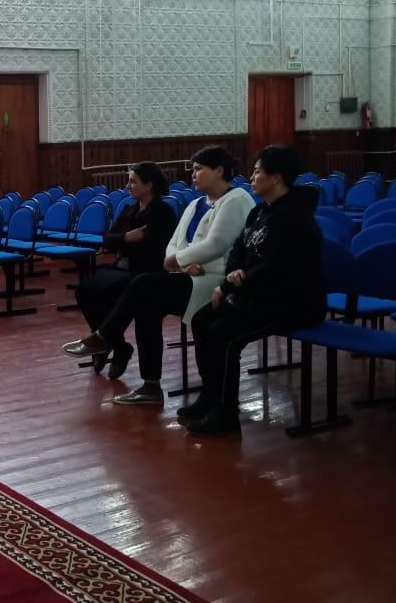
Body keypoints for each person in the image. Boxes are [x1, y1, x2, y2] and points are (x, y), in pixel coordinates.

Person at [63, 145, 255, 407]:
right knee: (146, 305)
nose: (193, 175)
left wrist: (177, 260)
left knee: (144, 284)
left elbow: (216, 244)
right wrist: (178, 262)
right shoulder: (196, 203)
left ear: (219, 171)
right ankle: (150, 385)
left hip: (216, 278)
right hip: (188, 274)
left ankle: (105, 337)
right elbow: (174, 242)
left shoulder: (236, 199)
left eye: (199, 169)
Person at [183, 145, 325, 437]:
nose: (251, 176)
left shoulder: (296, 217)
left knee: (223, 335)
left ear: (276, 177)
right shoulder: (259, 211)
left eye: (257, 171)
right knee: (202, 320)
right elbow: (239, 250)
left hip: (292, 302)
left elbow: (278, 265)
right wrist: (231, 277)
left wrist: (235, 281)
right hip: (256, 296)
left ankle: (226, 415)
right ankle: (211, 396)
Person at [74, 162, 177, 378]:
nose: (128, 186)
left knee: (108, 294)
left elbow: (150, 247)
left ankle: (109, 344)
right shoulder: (130, 209)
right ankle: (117, 345)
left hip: (145, 271)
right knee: (85, 291)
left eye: (133, 181)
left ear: (148, 186)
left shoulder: (162, 212)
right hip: (122, 267)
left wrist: (121, 242)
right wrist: (127, 238)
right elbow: (107, 239)